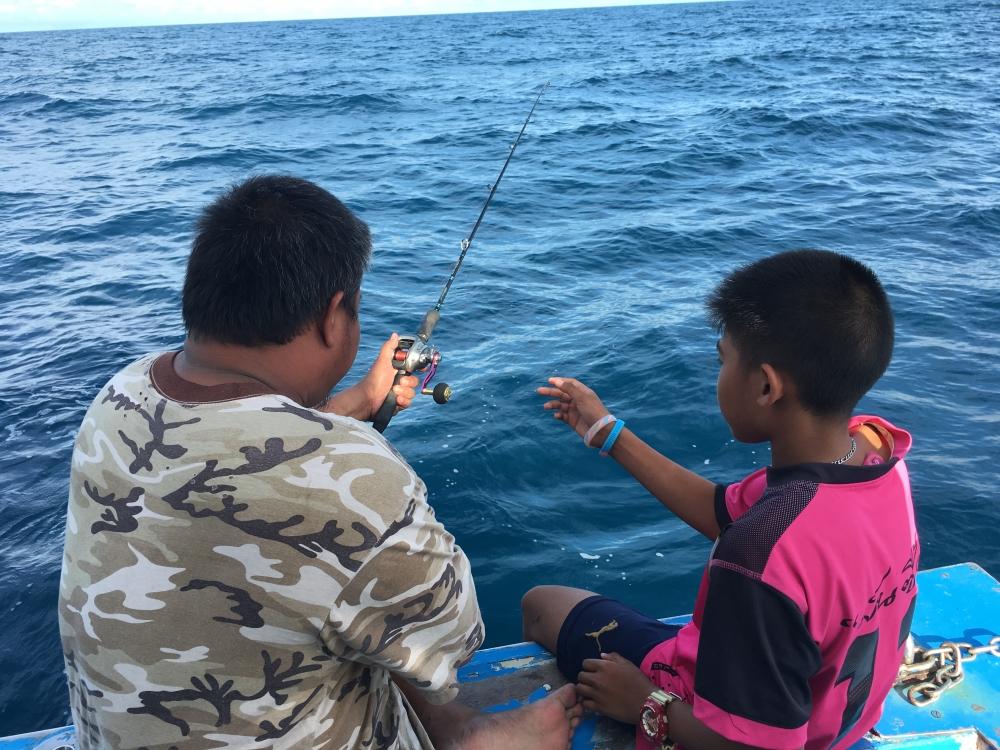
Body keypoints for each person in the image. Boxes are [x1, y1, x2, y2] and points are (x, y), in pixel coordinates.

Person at [57, 175, 579, 750]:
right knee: (377, 622)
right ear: (334, 317)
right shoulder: (350, 477)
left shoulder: (122, 393)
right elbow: (454, 637)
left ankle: (459, 735)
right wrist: (359, 450)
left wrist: (354, 404)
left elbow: (236, 452)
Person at [522, 249, 919, 750]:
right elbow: (721, 510)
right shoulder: (878, 452)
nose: (719, 374)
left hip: (731, 718)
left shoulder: (757, 556)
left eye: (723, 359)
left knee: (540, 605)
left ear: (766, 386)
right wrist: (608, 432)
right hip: (841, 712)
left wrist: (646, 702)